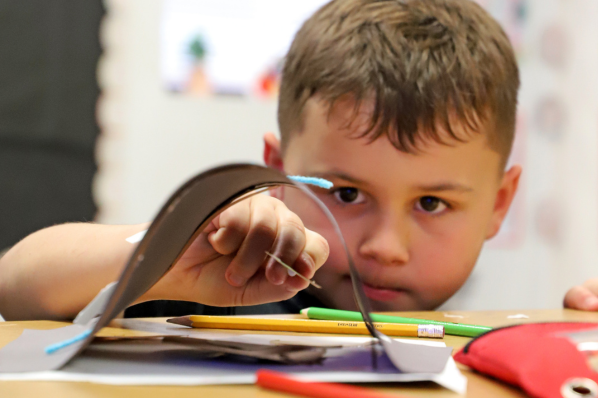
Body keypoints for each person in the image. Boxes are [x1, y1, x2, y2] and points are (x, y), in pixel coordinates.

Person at [0, 0, 575, 320]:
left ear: (499, 203)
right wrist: (165, 256)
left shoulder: (483, 341)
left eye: (431, 202)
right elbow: (15, 283)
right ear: (277, 173)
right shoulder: (230, 283)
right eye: (346, 193)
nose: (385, 247)